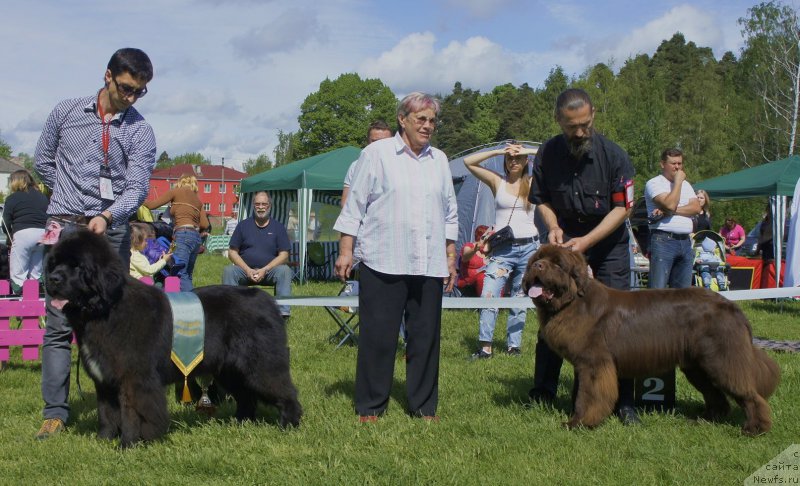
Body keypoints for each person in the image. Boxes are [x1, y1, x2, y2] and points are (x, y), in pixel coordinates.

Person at [33, 47, 156, 439]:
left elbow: (136, 187)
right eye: (127, 88)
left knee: (109, 322)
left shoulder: (140, 130)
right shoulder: (66, 112)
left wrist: (106, 215)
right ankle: (54, 412)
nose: (132, 97)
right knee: (57, 322)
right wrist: (68, 197)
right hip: (65, 229)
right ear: (107, 76)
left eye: (140, 92)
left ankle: (119, 407)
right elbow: (42, 161)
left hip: (112, 232)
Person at [334, 92, 458, 421]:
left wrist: (450, 255)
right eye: (421, 119)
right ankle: (371, 405)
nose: (428, 126)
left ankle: (423, 406)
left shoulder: (441, 161)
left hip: (428, 264)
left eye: (432, 120)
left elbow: (450, 213)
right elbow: (354, 206)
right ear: (403, 119)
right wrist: (346, 250)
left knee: (425, 338)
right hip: (382, 259)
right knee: (378, 337)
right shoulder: (376, 154)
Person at [527, 88, 640, 425]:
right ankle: (544, 391)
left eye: (585, 124)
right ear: (558, 120)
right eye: (571, 126)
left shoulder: (615, 156)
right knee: (552, 316)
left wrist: (588, 241)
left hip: (607, 247)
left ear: (594, 115)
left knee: (616, 325)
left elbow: (624, 207)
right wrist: (553, 227)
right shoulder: (546, 153)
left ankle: (624, 402)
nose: (579, 132)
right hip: (562, 248)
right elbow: (541, 198)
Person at [463, 143, 540, 359]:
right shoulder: (498, 182)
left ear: (526, 161)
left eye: (518, 158)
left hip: (529, 248)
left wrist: (527, 149)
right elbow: (468, 162)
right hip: (503, 249)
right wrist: (498, 151)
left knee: (520, 297)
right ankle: (485, 347)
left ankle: (513, 347)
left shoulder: (534, 182)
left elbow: (556, 156)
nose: (513, 161)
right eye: (509, 158)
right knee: (489, 295)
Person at [222, 191, 292, 319]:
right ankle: (230, 312)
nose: (260, 207)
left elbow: (284, 254)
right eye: (257, 204)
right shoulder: (243, 226)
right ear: (253, 206)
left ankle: (283, 314)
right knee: (229, 270)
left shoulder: (278, 227)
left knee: (285, 271)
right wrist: (247, 269)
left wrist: (265, 269)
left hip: (270, 271)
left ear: (269, 206)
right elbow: (232, 252)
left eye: (264, 204)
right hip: (245, 270)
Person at [644, 148, 701, 289]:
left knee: (683, 294)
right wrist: (677, 183)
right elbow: (670, 204)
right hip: (663, 240)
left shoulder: (686, 185)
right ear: (663, 164)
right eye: (673, 163)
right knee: (658, 292)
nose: (677, 167)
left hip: (685, 242)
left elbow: (696, 208)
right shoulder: (654, 183)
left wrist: (670, 212)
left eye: (680, 163)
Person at [144, 174, 209, 292]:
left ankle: (188, 303)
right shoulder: (198, 201)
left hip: (182, 234)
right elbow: (205, 224)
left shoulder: (176, 192)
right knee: (187, 274)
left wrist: (139, 200)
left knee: (178, 273)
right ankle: (186, 301)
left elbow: (153, 205)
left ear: (180, 183)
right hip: (195, 237)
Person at [2, 170, 49, 294]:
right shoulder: (42, 197)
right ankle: (37, 298)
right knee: (36, 272)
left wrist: (9, 237)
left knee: (18, 272)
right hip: (42, 234)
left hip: (23, 234)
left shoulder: (12, 198)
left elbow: (5, 223)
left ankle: (19, 297)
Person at [341, 120, 394, 207]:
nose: (379, 146)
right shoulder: (356, 166)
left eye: (385, 142)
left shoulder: (401, 166)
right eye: (375, 141)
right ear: (367, 142)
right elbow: (345, 202)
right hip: (364, 220)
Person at [456, 225, 490, 297]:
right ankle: (486, 304)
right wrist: (475, 249)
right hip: (467, 281)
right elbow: (465, 257)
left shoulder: (490, 249)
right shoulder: (469, 246)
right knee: (483, 277)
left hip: (484, 280)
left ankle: (497, 303)